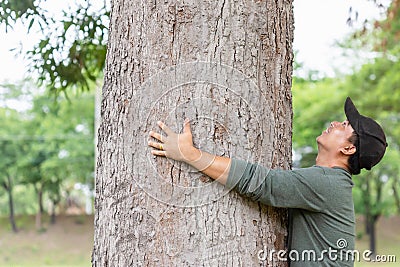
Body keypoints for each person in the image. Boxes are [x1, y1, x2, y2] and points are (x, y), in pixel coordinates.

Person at [147, 97, 387, 266]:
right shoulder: (329, 182)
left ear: (348, 148)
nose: (336, 123)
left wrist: (189, 154)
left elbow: (261, 183)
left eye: (345, 125)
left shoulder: (326, 182)